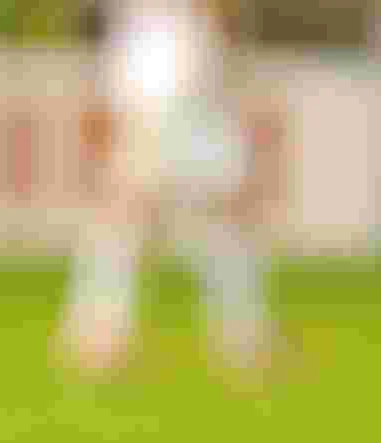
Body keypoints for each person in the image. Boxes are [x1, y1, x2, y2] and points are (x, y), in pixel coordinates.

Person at [57, 0, 283, 374]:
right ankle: (100, 336)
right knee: (128, 222)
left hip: (176, 90)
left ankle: (242, 336)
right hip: (156, 91)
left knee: (203, 224)